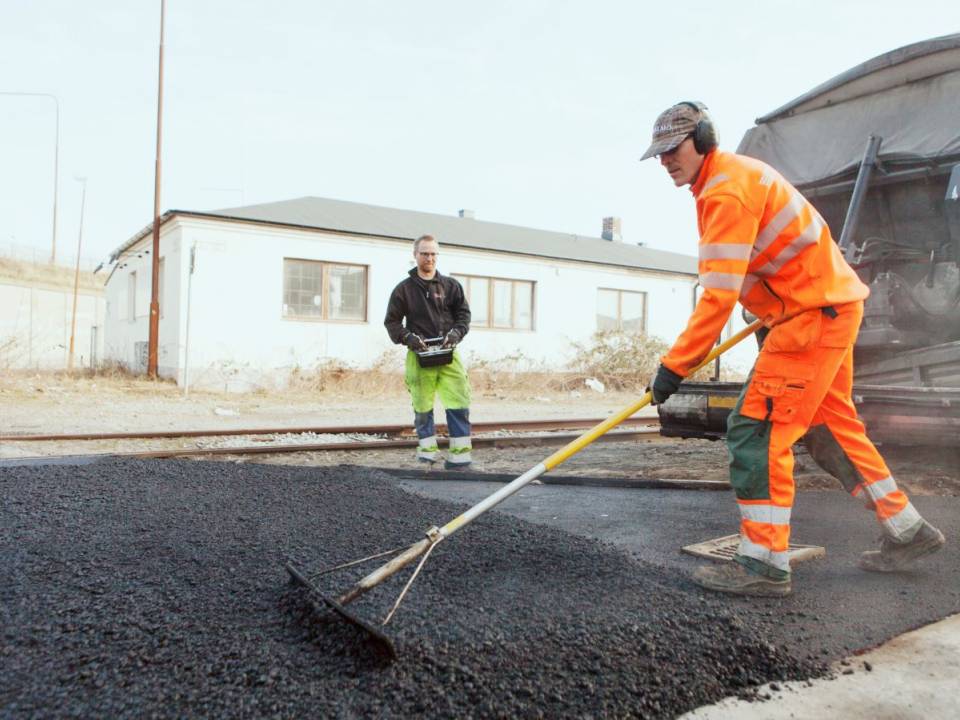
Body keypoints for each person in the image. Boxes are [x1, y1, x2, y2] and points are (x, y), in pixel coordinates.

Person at [639, 101, 945, 596]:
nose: (665, 161)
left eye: (673, 150)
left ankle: (763, 564)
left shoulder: (725, 191)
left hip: (810, 317)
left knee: (755, 433)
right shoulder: (732, 179)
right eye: (659, 154)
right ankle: (908, 531)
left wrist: (674, 366)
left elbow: (717, 294)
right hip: (825, 309)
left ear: (705, 138)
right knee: (829, 428)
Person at [384, 234, 473, 469]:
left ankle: (460, 457)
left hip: (448, 354)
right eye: (424, 253)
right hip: (419, 355)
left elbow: (464, 316)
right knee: (422, 405)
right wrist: (408, 338)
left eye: (433, 253)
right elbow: (391, 323)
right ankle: (427, 454)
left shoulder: (451, 286)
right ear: (415, 255)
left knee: (458, 402)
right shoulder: (403, 290)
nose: (429, 258)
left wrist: (456, 334)